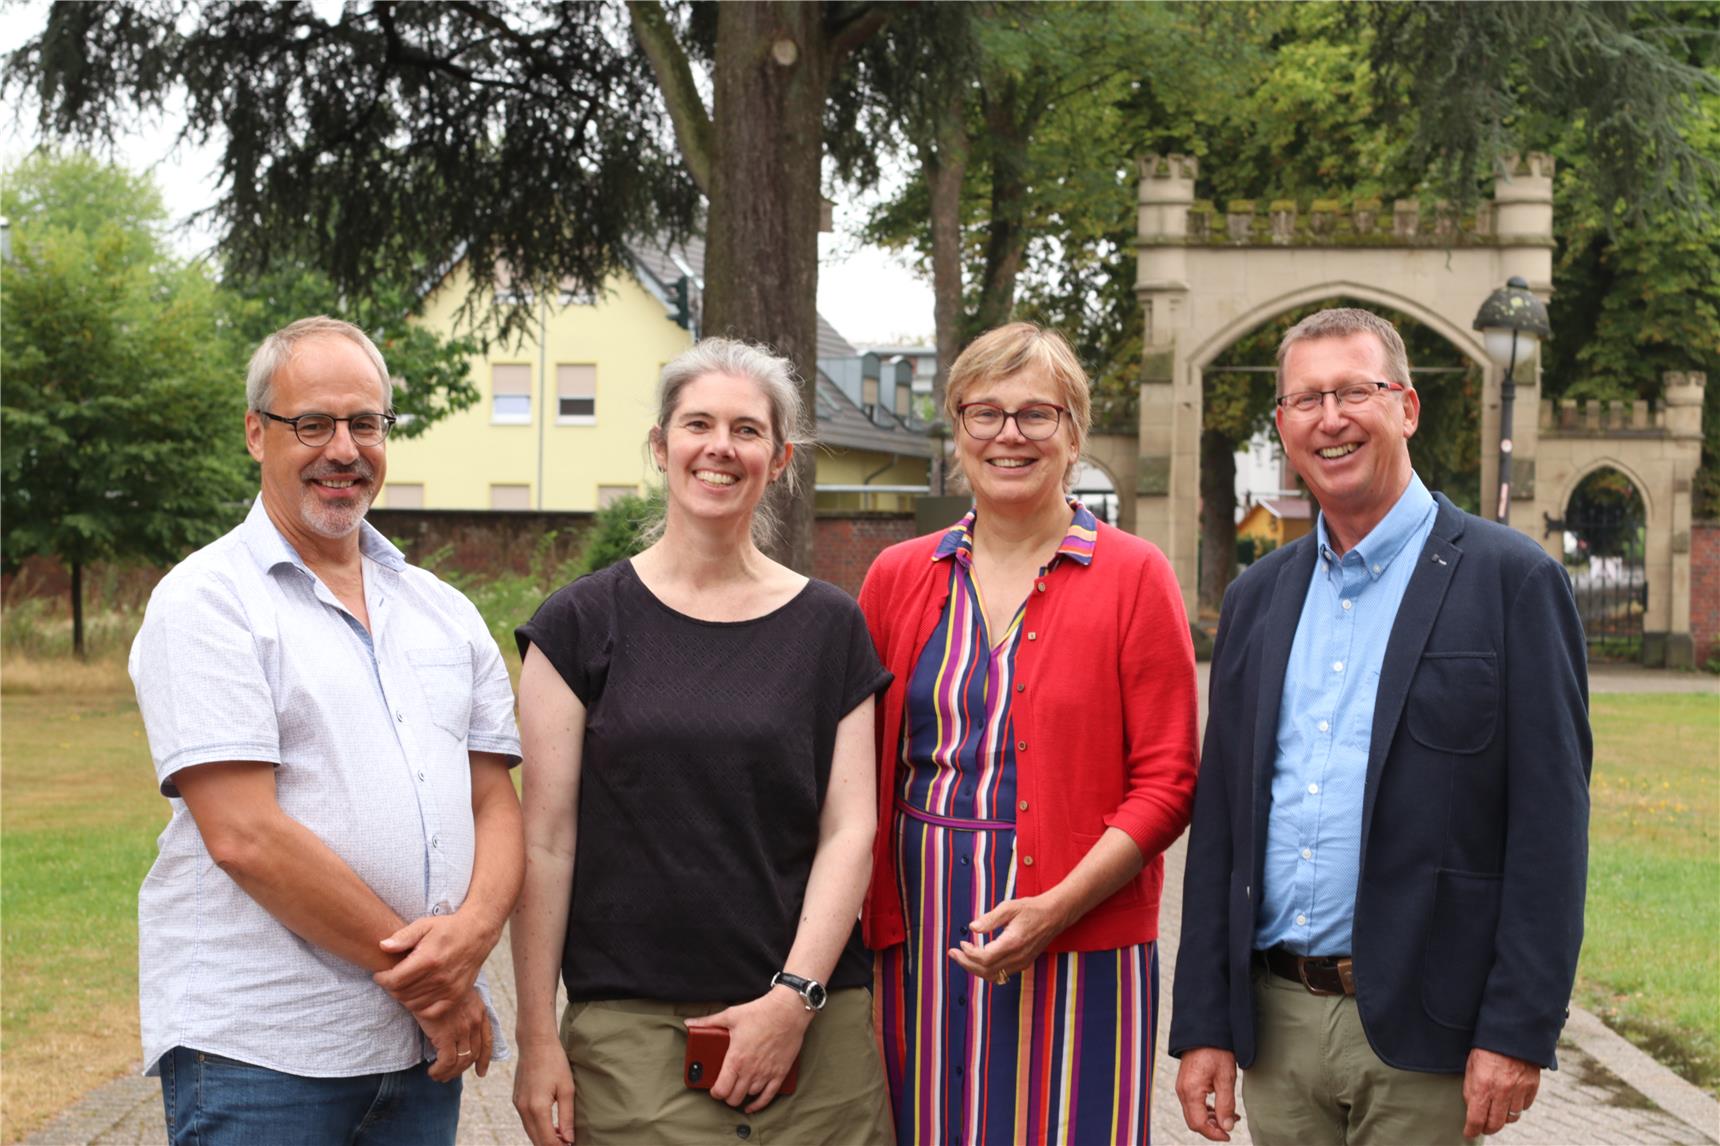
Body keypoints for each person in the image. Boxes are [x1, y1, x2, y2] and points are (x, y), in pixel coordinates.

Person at [1171, 307, 1592, 1145]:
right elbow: (1221, 826)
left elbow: (1551, 827)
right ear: (1283, 425)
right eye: (1306, 399)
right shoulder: (1257, 599)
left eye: (1354, 392)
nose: (1330, 418)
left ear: (1406, 408)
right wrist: (1204, 1024)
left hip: (1430, 1033)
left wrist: (1517, 1030)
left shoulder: (1512, 582)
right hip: (1277, 1028)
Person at [128, 316, 524, 1145]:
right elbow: (245, 836)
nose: (344, 449)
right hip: (264, 1055)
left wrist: (474, 936)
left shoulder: (444, 612)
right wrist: (433, 983)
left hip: (417, 1058)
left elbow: (494, 801)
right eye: (312, 424)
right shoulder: (207, 601)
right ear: (256, 433)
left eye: (365, 423)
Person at [509, 338, 894, 1146]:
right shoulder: (579, 625)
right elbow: (544, 842)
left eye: (747, 430)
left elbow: (850, 830)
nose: (721, 447)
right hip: (633, 1047)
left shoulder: (832, 628)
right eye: (698, 424)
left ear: (779, 459)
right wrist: (537, 1036)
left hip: (814, 1036)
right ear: (661, 445)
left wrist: (793, 998)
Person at [858, 322, 1199, 1145]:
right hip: (919, 933)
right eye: (985, 413)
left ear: (1073, 434)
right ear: (958, 430)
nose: (1008, 434)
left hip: (1083, 930)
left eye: (1036, 414)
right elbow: (852, 768)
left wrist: (1057, 908)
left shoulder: (1134, 575)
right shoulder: (897, 577)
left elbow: (1168, 783)